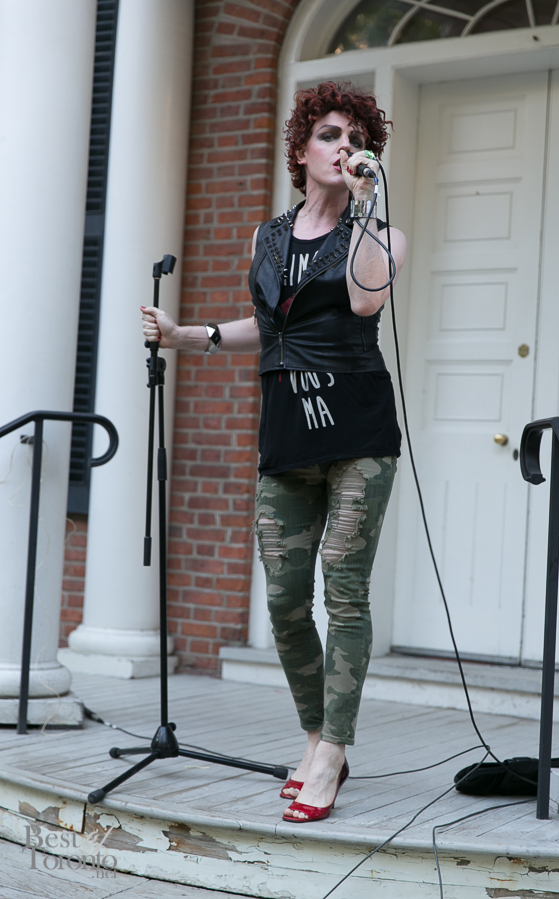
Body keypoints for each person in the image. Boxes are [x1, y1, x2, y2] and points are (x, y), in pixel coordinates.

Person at [142, 82, 407, 823]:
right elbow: (270, 324)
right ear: (300, 148)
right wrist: (188, 336)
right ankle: (318, 737)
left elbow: (363, 300)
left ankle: (331, 753)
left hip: (358, 435)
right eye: (331, 135)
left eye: (358, 139)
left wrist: (363, 208)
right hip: (287, 435)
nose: (345, 148)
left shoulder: (382, 235)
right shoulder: (266, 236)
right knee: (286, 601)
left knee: (344, 590)